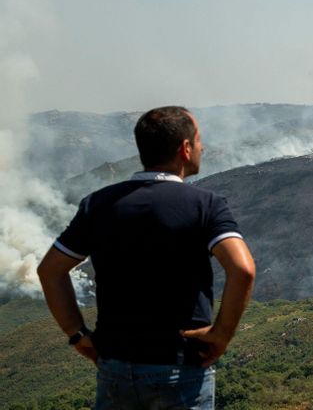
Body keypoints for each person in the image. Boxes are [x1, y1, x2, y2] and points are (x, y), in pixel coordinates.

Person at [37, 106, 256, 410]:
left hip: (115, 368)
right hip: (180, 369)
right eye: (199, 140)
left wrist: (77, 335)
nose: (203, 148)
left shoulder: (97, 205)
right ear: (185, 148)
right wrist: (222, 333)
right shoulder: (205, 205)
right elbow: (243, 269)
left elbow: (50, 271)